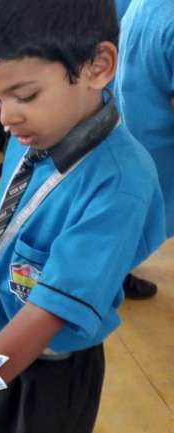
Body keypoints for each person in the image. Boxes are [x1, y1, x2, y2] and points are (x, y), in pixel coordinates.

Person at [0, 0, 165, 433]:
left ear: (98, 66)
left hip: (48, 371)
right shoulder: (37, 135)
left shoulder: (119, 184)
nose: (5, 117)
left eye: (24, 96)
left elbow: (46, 314)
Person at [115, 0, 174, 292]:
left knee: (131, 218)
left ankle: (114, 275)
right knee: (143, 222)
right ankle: (112, 279)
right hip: (160, 147)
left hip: (133, 129)